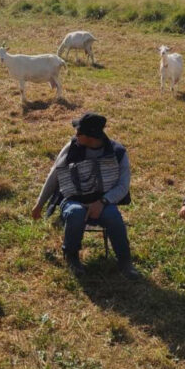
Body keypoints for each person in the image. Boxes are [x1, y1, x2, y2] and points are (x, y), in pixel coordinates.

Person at [31, 113, 140, 279]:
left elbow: (123, 186)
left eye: (78, 132)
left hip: (103, 202)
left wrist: (102, 202)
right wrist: (40, 204)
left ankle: (125, 262)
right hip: (73, 200)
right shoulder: (71, 147)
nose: (75, 135)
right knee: (75, 213)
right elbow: (54, 176)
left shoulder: (117, 152)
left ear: (91, 137)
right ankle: (72, 256)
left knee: (113, 216)